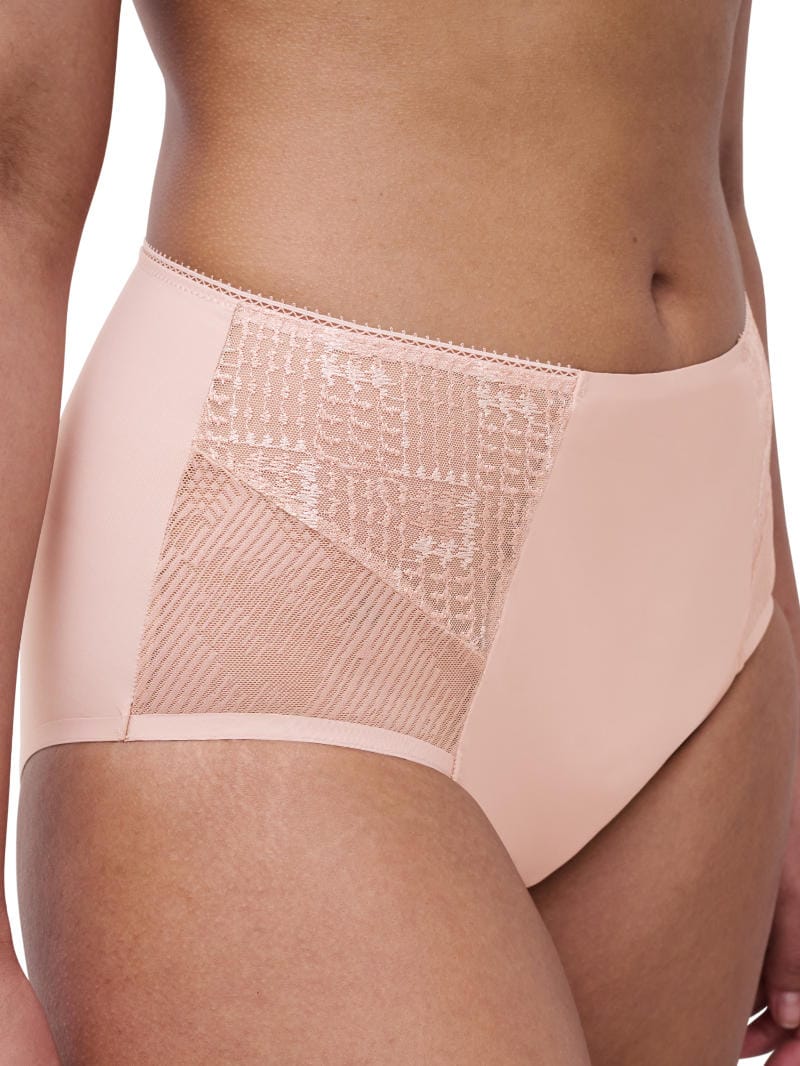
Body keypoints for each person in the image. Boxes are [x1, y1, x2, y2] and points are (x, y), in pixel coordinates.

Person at [2, 0, 799, 1062]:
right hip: (290, 563)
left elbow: (706, 132)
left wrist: (775, 638)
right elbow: (11, 187)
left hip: (704, 581)